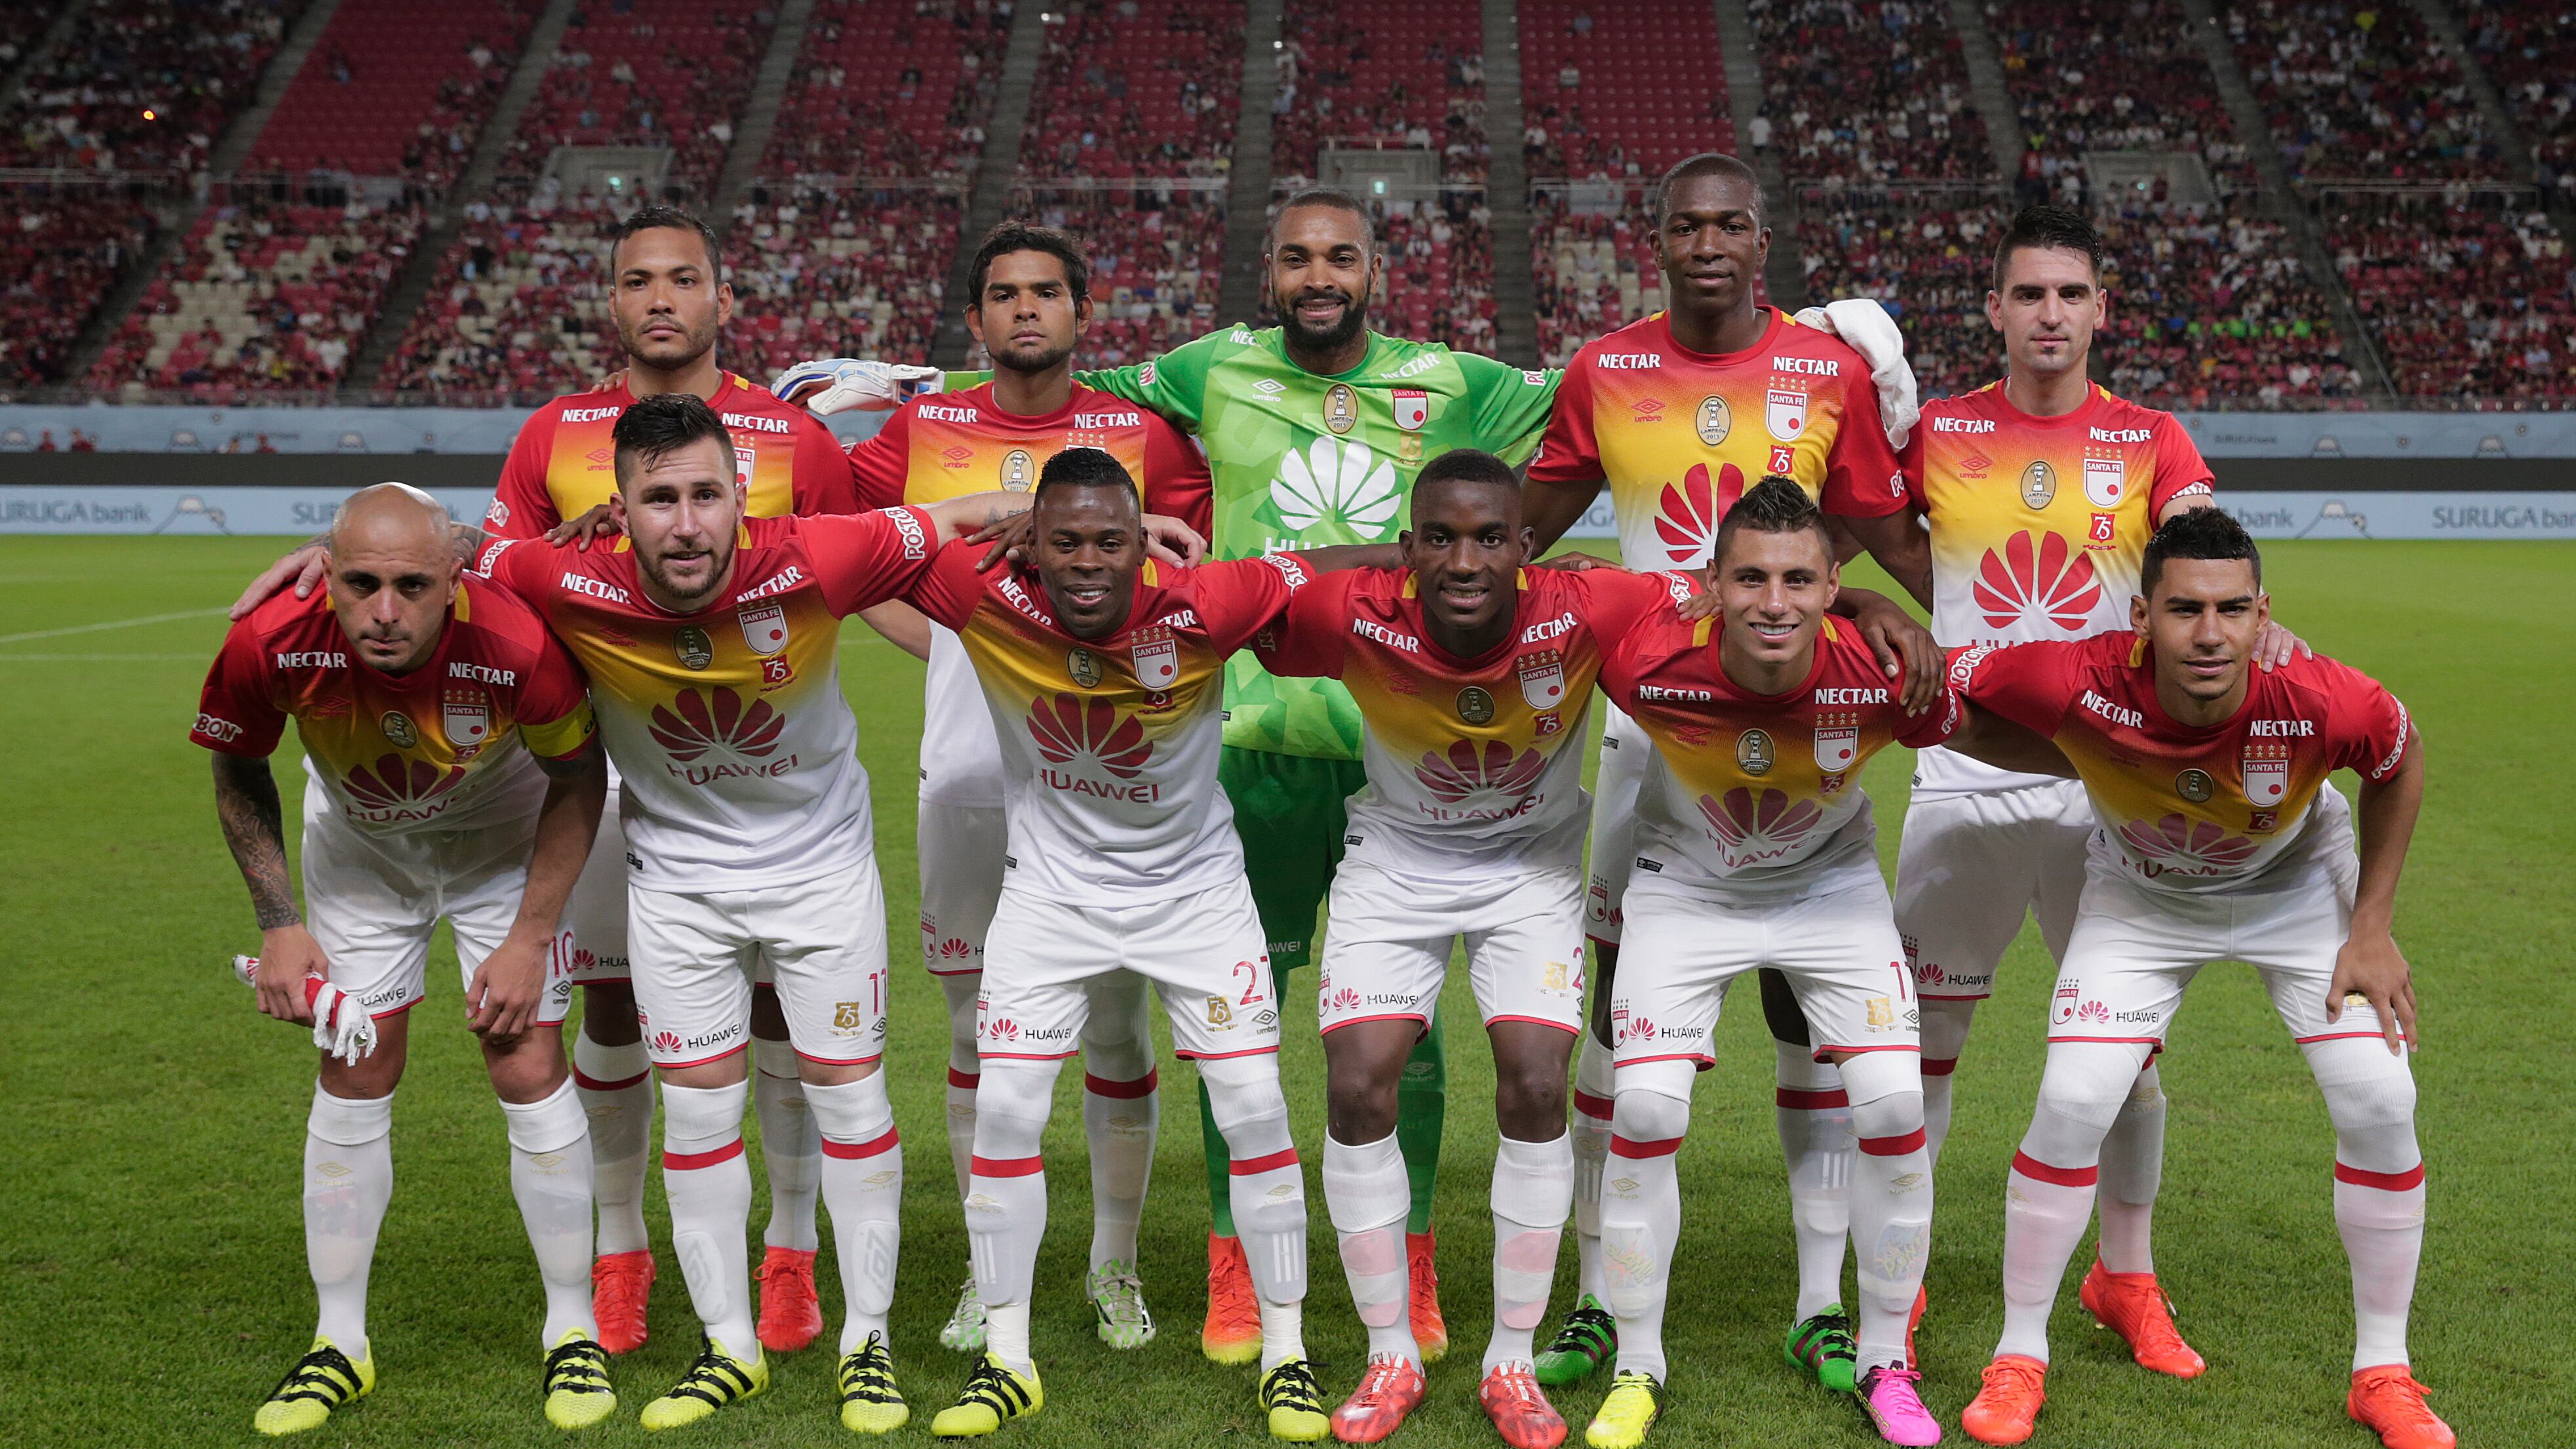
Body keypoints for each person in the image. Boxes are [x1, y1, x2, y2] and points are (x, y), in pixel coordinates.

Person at [227, 203, 926, 1358]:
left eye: (684, 278)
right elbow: (471, 559)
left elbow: (862, 567)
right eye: (638, 279)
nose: (661, 297)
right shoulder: (553, 430)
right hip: (595, 769)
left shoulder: (793, 438)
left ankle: (791, 1255)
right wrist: (334, 561)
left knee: (781, 1016)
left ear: (723, 298)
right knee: (611, 1006)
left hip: (758, 774)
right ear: (609, 300)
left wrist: (974, 655)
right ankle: (619, 1251)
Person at [473, 393, 1077, 1433]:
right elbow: (445, 566)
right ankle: (728, 1348)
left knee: (850, 1099)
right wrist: (321, 557)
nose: (686, 521)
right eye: (658, 498)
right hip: (678, 890)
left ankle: (866, 1343)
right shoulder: (554, 572)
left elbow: (959, 515)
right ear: (617, 508)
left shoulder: (819, 554)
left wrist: (1054, 511)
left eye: (707, 493)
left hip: (820, 880)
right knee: (702, 1113)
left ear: (740, 498)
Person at [1858, 204, 2309, 1381]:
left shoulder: (2152, 438)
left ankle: (2124, 1273)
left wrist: (2273, 630)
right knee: (1924, 1044)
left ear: (2100, 309)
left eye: (2070, 295)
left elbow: (2199, 544)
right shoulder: (1939, 430)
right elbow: (1861, 527)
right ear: (1994, 309)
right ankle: (1894, 1288)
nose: (2049, 315)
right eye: (2028, 295)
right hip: (1965, 773)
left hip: (2112, 784)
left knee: (2129, 1058)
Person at [1517, 151, 1938, 1393]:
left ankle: (1819, 1305)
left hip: (1797, 722)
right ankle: (1597, 1295)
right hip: (1646, 728)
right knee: (1611, 1010)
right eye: (1685, 225)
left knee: (1801, 1013)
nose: (1708, 243)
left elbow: (1879, 537)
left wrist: (1874, 600)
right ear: (1656, 241)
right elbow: (1520, 538)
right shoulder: (1605, 369)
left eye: (1731, 225)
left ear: (1764, 243)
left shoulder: (1828, 373)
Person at [1950, 509, 2444, 1449]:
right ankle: (2018, 1356)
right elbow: (1942, 685)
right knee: (2071, 1099)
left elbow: (2399, 756)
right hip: (2140, 901)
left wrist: (2371, 923)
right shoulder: (2071, 674)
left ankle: (2382, 1370)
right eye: (2183, 609)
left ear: (2264, 615)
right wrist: (2065, 744)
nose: (2207, 633)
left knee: (2381, 1102)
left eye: (2229, 609)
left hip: (2297, 894)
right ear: (2141, 615)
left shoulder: (2324, 694)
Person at [889, 447, 1350, 1441]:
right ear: (1030, 543)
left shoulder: (1208, 600)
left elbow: (1331, 560)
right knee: (1007, 1101)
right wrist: (996, 505)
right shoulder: (979, 591)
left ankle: (1286, 1351)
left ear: (1144, 543)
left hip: (1194, 896)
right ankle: (1007, 1357)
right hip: (1049, 897)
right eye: (1064, 541)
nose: (1089, 562)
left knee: (1255, 1103)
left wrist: (1434, 545)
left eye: (1111, 540)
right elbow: (845, 533)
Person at [1250, 450, 1691, 1448]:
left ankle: (1509, 1359)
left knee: (1537, 1081)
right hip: (1393, 864)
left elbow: (1735, 598)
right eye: (1438, 538)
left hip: (1528, 873)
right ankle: (1389, 1353)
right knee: (1360, 1081)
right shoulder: (1352, 609)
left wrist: (1877, 613)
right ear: (1405, 551)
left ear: (1527, 549)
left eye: (1489, 536)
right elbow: (1250, 592)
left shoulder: (1591, 606)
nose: (1464, 559)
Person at [840, 219, 1212, 1356]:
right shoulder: (923, 425)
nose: (1025, 311)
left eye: (1046, 291)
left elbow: (1192, 570)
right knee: (971, 1022)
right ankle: (982, 1270)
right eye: (1002, 294)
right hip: (961, 770)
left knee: (1112, 1020)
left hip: (1102, 774)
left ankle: (1114, 1264)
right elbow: (857, 558)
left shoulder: (1141, 432)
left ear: (1082, 311)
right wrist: (957, 644)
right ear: (975, 320)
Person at [195, 483, 613, 1435]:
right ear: (326, 572)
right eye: (362, 583)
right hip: (360, 849)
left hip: (501, 841)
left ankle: (572, 1327)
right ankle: (338, 1342)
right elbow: (238, 763)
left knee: (527, 1058)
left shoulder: (516, 643)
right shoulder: (269, 637)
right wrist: (277, 919)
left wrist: (528, 936)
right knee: (354, 1062)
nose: (385, 611)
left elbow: (579, 777)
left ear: (454, 575)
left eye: (413, 585)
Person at [1584, 478, 1964, 1449]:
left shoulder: (1884, 669)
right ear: (1707, 583)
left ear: (1833, 582)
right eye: (1748, 577)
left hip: (1829, 888)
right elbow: (1530, 592)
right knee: (1643, 1108)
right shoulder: (1644, 646)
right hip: (1684, 885)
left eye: (1800, 579)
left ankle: (1884, 1356)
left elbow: (1999, 712)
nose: (1773, 601)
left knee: (1889, 1105)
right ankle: (1636, 1361)